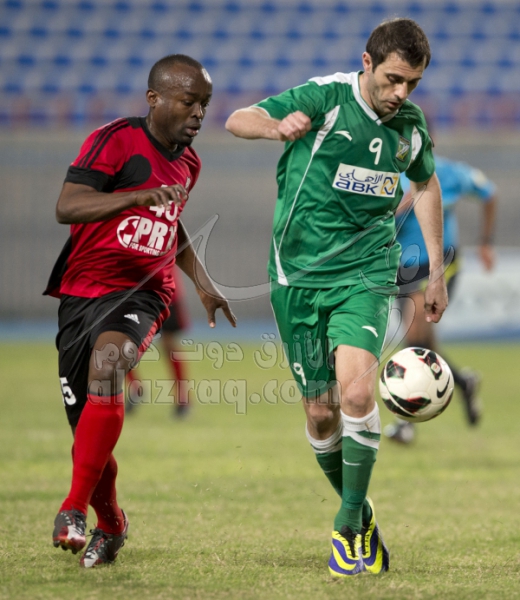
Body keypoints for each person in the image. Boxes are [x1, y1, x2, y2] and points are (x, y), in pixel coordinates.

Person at [226, 18, 446, 577]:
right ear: (367, 63)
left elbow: (424, 182)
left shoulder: (410, 126)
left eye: (413, 83)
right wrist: (276, 127)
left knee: (356, 392)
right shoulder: (325, 97)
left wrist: (436, 272)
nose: (402, 93)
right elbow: (237, 119)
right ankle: (361, 512)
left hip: (367, 272)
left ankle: (346, 528)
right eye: (394, 79)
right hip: (297, 276)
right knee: (321, 413)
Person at [43, 54, 236, 568]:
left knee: (110, 365)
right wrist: (135, 198)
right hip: (83, 292)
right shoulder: (115, 141)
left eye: (205, 104)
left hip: (144, 292)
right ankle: (111, 523)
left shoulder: (189, 163)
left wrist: (203, 282)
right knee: (88, 436)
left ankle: (72, 508)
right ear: (155, 99)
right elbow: (68, 205)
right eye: (189, 101)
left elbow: (170, 223)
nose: (199, 113)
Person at [384, 157, 497, 444]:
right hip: (402, 267)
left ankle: (405, 421)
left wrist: (486, 242)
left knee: (414, 337)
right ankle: (463, 382)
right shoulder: (384, 173)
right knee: (421, 342)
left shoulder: (447, 173)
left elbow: (489, 193)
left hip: (439, 264)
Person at [126, 265, 192, 419]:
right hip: (135, 293)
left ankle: (182, 397)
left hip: (165, 292)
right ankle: (136, 387)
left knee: (170, 345)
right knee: (122, 342)